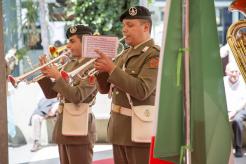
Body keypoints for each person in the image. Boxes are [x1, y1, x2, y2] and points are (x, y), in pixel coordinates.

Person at [94, 6, 160, 164]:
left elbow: (142, 90)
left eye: (129, 25)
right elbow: (104, 90)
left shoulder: (153, 53)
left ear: (146, 27)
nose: (124, 30)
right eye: (123, 26)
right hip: (119, 129)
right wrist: (99, 68)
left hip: (138, 130)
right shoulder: (124, 54)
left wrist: (111, 68)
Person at [38, 24, 97, 164]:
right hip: (64, 124)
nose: (68, 46)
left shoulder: (94, 65)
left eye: (72, 41)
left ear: (86, 41)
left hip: (80, 125)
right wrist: (44, 74)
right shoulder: (70, 64)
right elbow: (52, 94)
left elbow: (77, 96)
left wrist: (58, 77)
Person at [224, 63, 246, 158]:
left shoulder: (243, 82)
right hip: (227, 110)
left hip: (242, 109)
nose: (234, 74)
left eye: (236, 71)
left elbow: (245, 101)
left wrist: (234, 112)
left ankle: (238, 149)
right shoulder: (222, 82)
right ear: (226, 72)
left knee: (237, 119)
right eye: (232, 71)